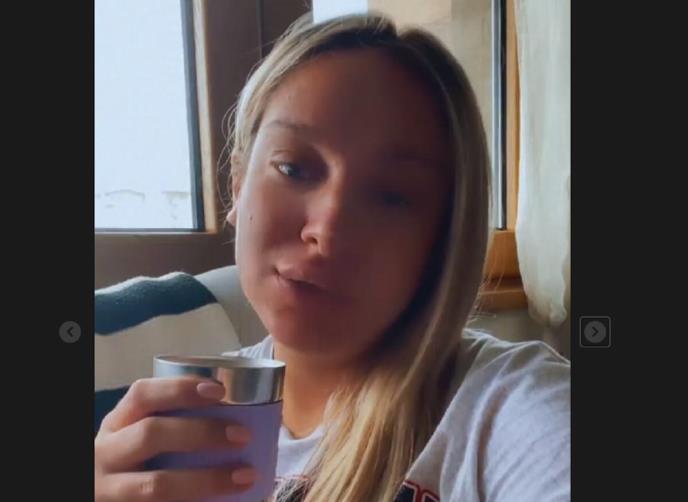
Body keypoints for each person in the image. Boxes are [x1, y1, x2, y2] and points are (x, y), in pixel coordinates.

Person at [95, 12, 570, 502]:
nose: (328, 230)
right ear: (237, 185)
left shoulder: (508, 407)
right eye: (293, 168)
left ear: (443, 236)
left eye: (390, 195)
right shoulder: (193, 410)